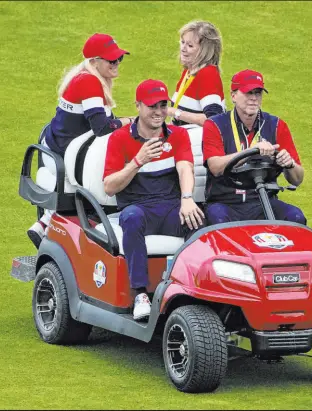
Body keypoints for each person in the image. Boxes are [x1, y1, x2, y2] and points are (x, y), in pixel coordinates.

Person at [103, 79, 205, 321]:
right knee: (131, 218)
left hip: (171, 208)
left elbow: (185, 169)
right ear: (138, 106)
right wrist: (138, 161)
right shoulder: (118, 139)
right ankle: (140, 293)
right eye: (152, 106)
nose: (159, 112)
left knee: (200, 220)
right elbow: (109, 187)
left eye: (163, 105)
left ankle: (191, 289)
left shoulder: (178, 135)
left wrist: (188, 198)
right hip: (139, 209)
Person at [27, 33, 133, 248]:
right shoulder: (89, 83)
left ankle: (43, 225)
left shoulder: (87, 78)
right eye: (112, 60)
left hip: (62, 149)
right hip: (63, 155)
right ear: (94, 62)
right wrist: (131, 120)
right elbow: (102, 128)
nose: (117, 63)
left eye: (119, 59)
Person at [202, 69, 307, 225]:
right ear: (233, 96)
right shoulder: (214, 125)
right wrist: (250, 152)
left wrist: (289, 164)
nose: (253, 99)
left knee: (296, 218)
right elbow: (215, 167)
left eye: (258, 93)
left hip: (263, 200)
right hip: (225, 202)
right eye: (248, 93)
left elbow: (298, 179)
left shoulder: (277, 125)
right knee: (219, 220)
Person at [166, 20, 225, 126]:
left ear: (204, 51)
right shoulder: (189, 72)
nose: (183, 48)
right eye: (182, 42)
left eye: (190, 45)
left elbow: (214, 120)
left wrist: (174, 112)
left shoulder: (208, 74)